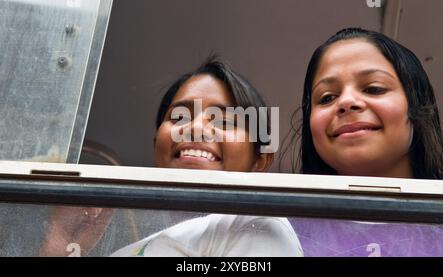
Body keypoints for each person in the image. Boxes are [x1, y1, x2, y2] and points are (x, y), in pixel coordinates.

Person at [111, 56, 303, 256]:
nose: (195, 127)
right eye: (178, 117)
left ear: (260, 161)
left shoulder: (257, 227)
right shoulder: (124, 242)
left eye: (225, 121)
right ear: (156, 144)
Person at [288, 27, 443, 256]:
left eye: (373, 88)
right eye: (327, 97)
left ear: (418, 108)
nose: (346, 102)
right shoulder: (277, 228)